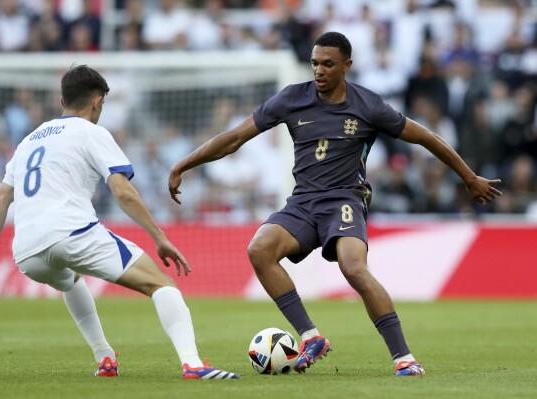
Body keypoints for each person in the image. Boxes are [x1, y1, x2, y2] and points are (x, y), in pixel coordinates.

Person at [168, 32, 503, 377]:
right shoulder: (292, 98)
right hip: (302, 203)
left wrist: (468, 177)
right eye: (315, 63)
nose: (319, 71)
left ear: (347, 65)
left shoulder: (369, 105)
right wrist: (184, 164)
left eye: (328, 64)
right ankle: (312, 337)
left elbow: (427, 138)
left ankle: (404, 357)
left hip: (345, 200)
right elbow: (235, 137)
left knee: (353, 268)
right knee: (259, 248)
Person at [0, 65, 238, 380]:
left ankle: (105, 358)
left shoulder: (29, 140)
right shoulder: (91, 132)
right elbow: (122, 192)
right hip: (72, 233)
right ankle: (193, 365)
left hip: (27, 251)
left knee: (70, 278)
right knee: (162, 284)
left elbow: (0, 200)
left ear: (62, 101)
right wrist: (159, 237)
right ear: (97, 102)